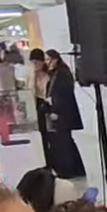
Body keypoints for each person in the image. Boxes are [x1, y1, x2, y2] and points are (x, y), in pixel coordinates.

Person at [41, 51, 88, 180]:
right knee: (66, 141)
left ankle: (69, 170)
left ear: (55, 59)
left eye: (48, 59)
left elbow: (62, 95)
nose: (47, 62)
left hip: (63, 113)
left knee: (63, 142)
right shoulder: (57, 73)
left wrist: (55, 109)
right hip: (63, 112)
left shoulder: (61, 74)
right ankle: (75, 169)